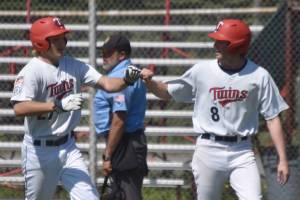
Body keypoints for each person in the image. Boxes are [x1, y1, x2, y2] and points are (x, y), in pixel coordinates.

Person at [139, 19, 289, 200]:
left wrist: (283, 159)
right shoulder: (202, 71)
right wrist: (150, 82)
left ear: (237, 45)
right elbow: (167, 93)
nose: (214, 45)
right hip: (208, 149)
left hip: (242, 150)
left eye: (221, 41)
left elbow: (273, 118)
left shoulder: (259, 75)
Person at [10, 17, 141, 200]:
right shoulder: (31, 71)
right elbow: (20, 108)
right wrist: (57, 106)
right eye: (55, 39)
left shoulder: (74, 65)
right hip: (39, 150)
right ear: (41, 42)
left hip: (68, 147)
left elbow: (107, 83)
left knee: (89, 197)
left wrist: (126, 80)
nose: (62, 43)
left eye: (63, 37)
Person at [93, 34, 148, 200]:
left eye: (109, 52)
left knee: (128, 194)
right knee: (119, 194)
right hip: (123, 141)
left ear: (122, 55)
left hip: (126, 142)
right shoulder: (118, 75)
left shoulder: (124, 76)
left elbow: (119, 119)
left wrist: (108, 154)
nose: (104, 57)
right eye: (102, 52)